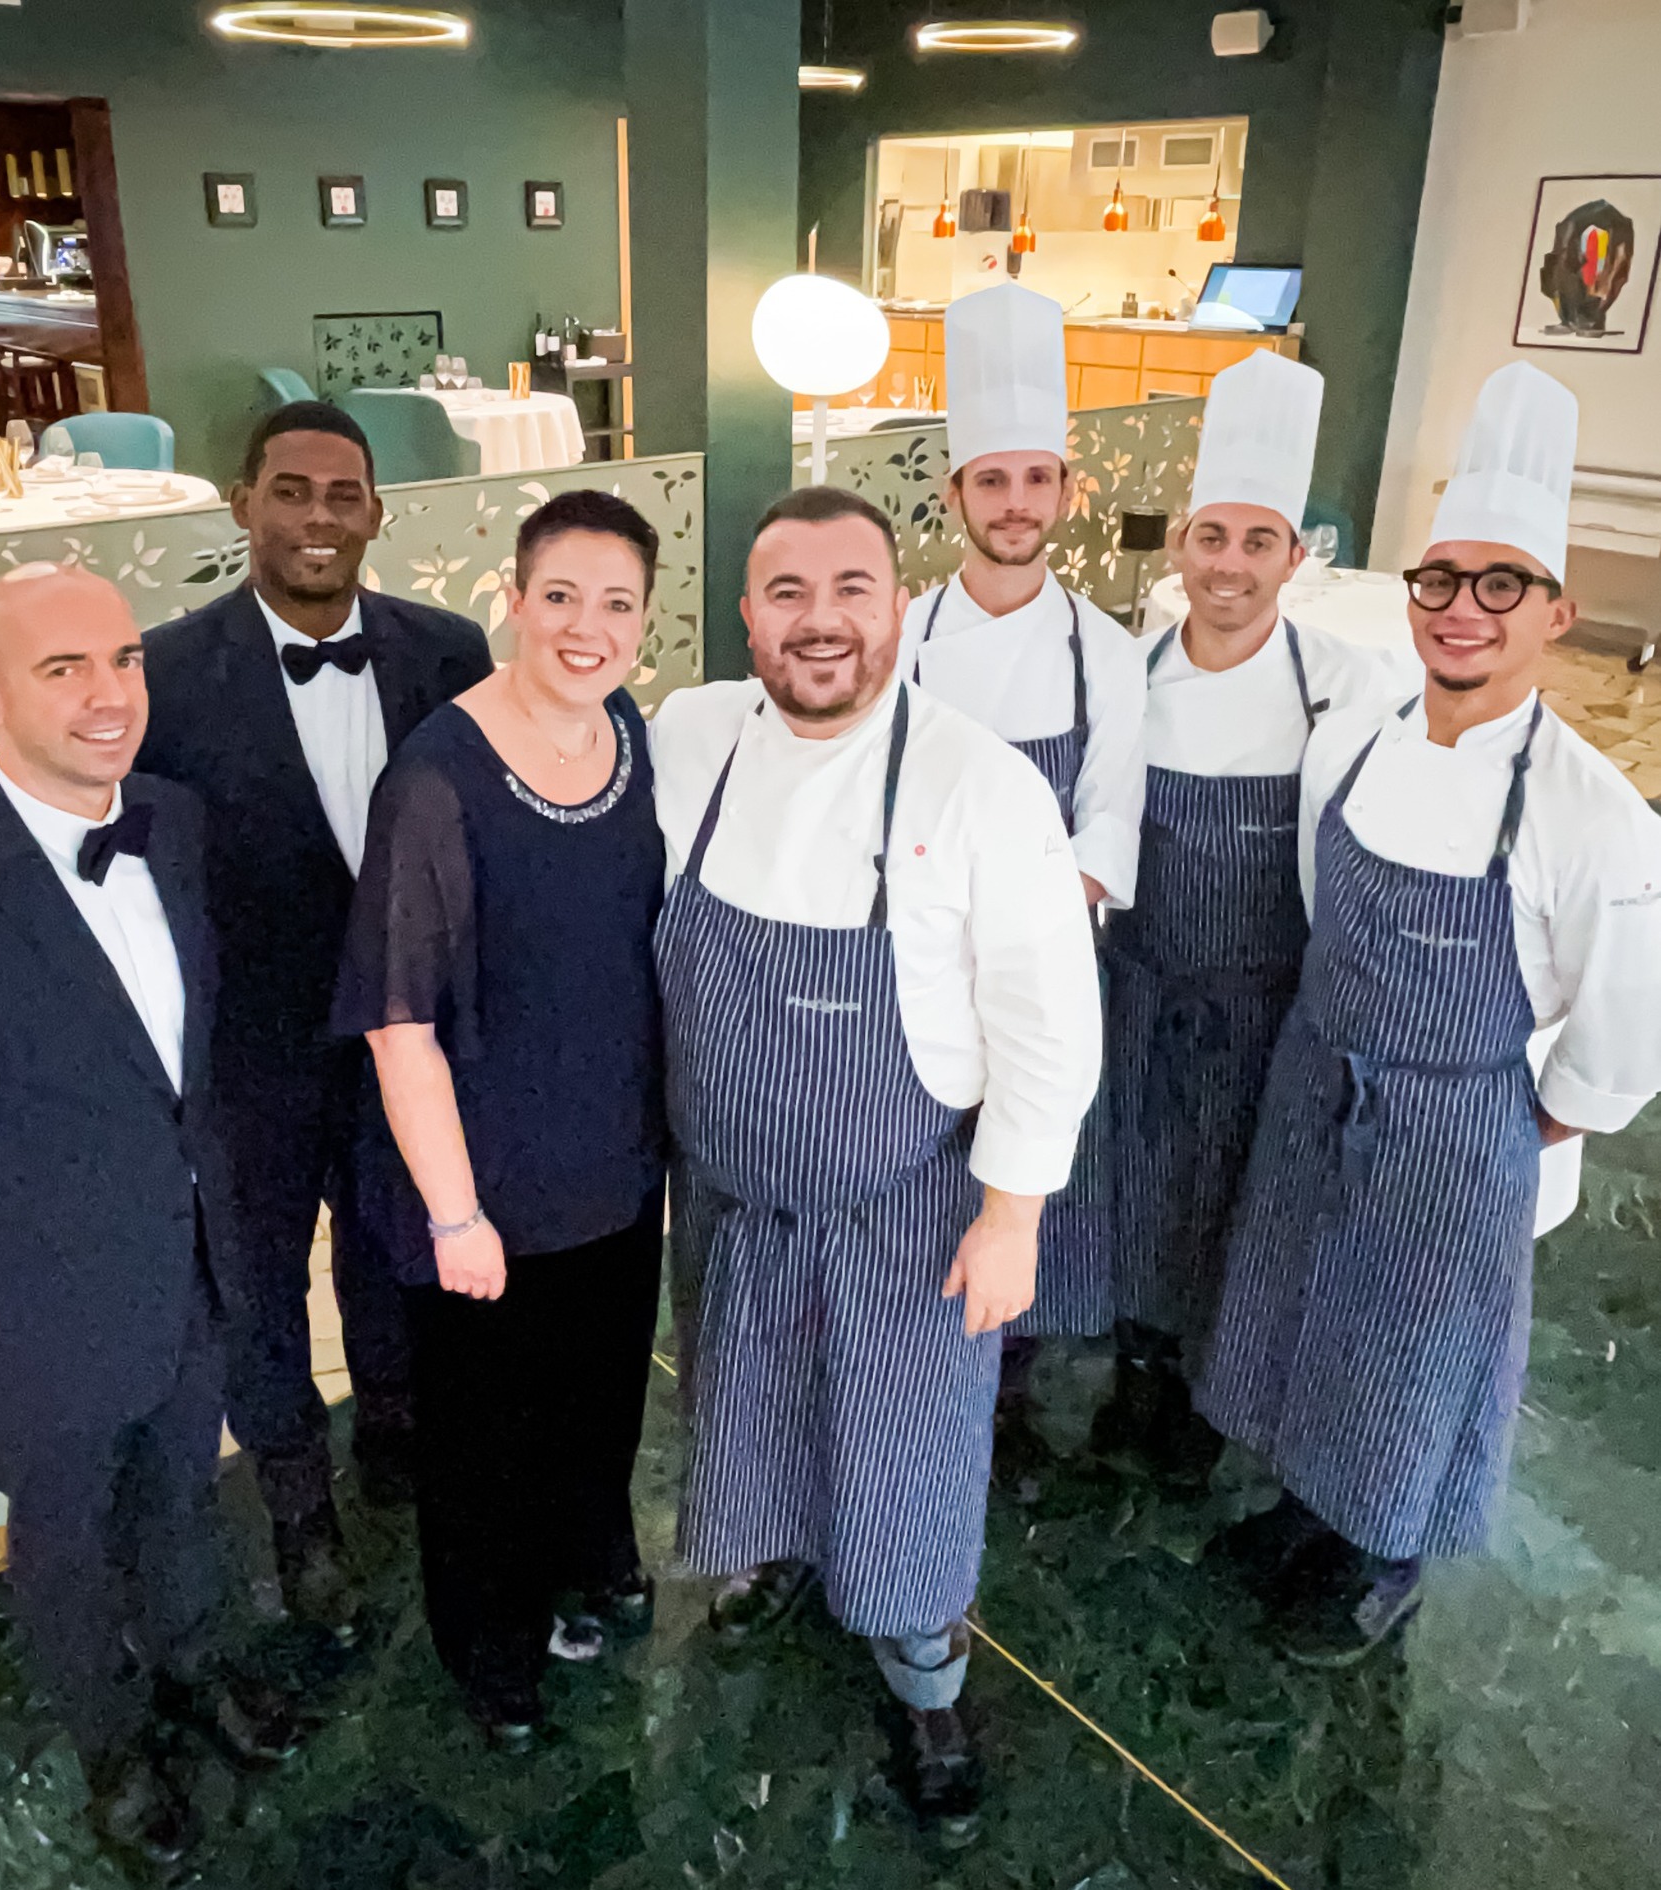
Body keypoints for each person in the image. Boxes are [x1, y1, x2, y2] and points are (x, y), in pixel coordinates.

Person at [0, 564, 299, 1871]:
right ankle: (113, 1746)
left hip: (193, 1268)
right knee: (67, 1548)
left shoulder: (175, 825)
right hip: (37, 1310)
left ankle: (195, 1666)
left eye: (123, 659)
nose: (108, 694)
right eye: (62, 668)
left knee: (184, 1495)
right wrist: (10, 1238)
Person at [650, 486, 1102, 1836]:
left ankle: (925, 1681)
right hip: (730, 1202)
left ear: (899, 607)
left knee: (909, 1464)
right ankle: (781, 1557)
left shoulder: (979, 782)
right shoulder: (689, 739)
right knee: (750, 1408)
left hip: (908, 1210)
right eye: (787, 592)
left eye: (852, 587)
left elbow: (1047, 1017)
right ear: (747, 616)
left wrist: (1013, 1213)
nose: (820, 621)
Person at [1197, 363, 1661, 1662]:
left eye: (1500, 585)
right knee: (1301, 1303)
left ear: (1555, 611)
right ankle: (1307, 1509)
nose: (1462, 610)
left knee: (1410, 1346)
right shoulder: (1356, 736)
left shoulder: (1594, 815)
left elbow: (1625, 1031)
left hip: (1457, 1122)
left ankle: (1383, 1556)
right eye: (1440, 580)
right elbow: (1318, 889)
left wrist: (1517, 1117)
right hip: (1318, 1075)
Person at [136, 402, 492, 1629]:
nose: (318, 517)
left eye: (344, 494)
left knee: (396, 1251)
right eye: (291, 490)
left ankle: (394, 1433)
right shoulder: (164, 674)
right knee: (261, 1287)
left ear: (379, 512)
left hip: (406, 1039)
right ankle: (297, 1507)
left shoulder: (449, 652)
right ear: (243, 505)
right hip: (251, 1053)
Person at [334, 490, 666, 1749]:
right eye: (561, 596)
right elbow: (398, 1023)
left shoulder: (629, 731)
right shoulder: (436, 779)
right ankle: (492, 1653)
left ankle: (589, 1559)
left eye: (617, 604)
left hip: (614, 1157)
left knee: (599, 1397)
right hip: (485, 1184)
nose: (588, 627)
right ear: (514, 600)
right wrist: (454, 1213)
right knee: (485, 1442)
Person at [1096, 351, 1411, 1482]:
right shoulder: (1123, 674)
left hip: (1265, 1003)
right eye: (1213, 537)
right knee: (1135, 1188)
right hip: (1139, 989)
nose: (1230, 565)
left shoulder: (1344, 685)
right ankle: (1137, 1369)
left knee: (1239, 1199)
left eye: (1258, 541)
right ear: (1181, 545)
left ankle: (1208, 1396)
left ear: (1295, 557)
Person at [896, 283, 1145, 1351]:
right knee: (928, 1189)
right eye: (992, 480)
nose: (1015, 502)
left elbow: (1108, 827)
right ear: (954, 492)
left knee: (1038, 1180)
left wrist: (1010, 929)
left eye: (1036, 478)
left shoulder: (1108, 654)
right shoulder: (902, 639)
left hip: (1050, 969)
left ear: (1066, 492)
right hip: (912, 962)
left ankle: (1030, 1379)